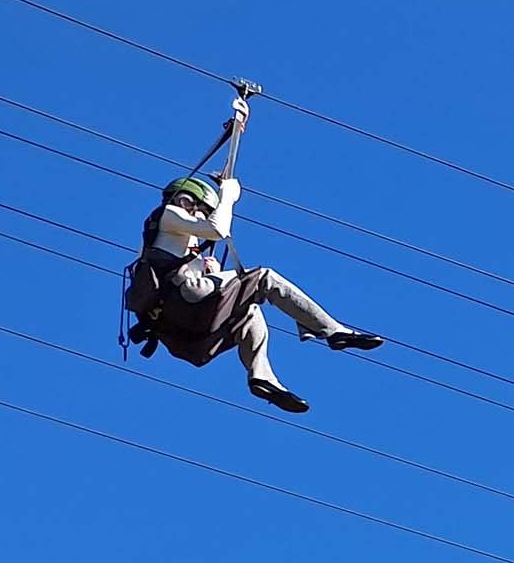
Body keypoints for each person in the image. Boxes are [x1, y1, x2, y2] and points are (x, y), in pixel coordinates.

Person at [125, 107, 381, 412]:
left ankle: (262, 376)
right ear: (186, 201)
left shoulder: (174, 244)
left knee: (250, 313)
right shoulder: (167, 215)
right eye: (201, 210)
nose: (199, 216)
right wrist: (230, 195)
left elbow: (199, 247)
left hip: (182, 328)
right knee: (264, 278)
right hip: (185, 303)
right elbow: (219, 229)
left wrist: (235, 132)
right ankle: (332, 331)